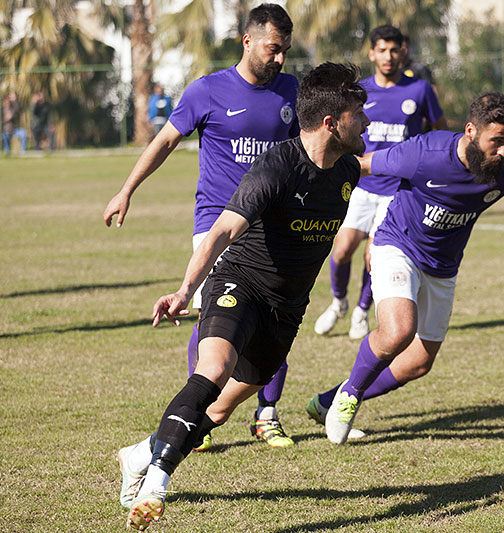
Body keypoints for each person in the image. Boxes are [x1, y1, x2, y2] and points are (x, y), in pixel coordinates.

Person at [116, 62, 369, 531]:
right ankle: (155, 484)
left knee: (219, 408)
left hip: (286, 309)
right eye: (360, 112)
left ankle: (139, 454)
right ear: (331, 122)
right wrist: (185, 289)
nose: (368, 121)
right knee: (212, 371)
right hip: (239, 283)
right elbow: (221, 232)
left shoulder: (349, 169)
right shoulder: (275, 166)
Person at [309, 92, 504, 445]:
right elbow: (361, 165)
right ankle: (350, 396)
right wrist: (311, 191)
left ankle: (330, 399)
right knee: (399, 331)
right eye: (497, 140)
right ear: (470, 131)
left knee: (419, 363)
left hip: (443, 267)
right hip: (397, 246)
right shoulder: (425, 153)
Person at [104, 3, 300, 450]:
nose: (279, 59)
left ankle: (266, 413)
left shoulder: (292, 91)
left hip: (274, 225)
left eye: (285, 50)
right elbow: (165, 141)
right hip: (218, 223)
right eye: (273, 48)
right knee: (224, 319)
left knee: (274, 316)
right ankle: (197, 414)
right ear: (247, 40)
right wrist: (126, 190)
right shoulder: (208, 91)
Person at [313, 24, 446, 340]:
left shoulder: (420, 90)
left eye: (395, 49)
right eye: (382, 50)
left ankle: (361, 310)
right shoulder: (360, 91)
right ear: (372, 53)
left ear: (404, 52)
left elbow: (438, 131)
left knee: (374, 257)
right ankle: (339, 302)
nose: (389, 56)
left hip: (399, 191)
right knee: (342, 250)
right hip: (360, 184)